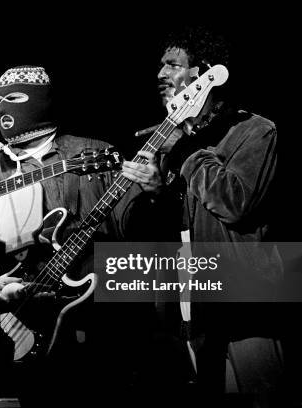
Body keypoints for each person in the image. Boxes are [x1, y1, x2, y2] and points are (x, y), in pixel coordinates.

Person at [0, 66, 164, 407]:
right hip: (27, 322)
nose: (5, 109)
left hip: (105, 323)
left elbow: (135, 230)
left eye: (16, 98)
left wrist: (154, 194)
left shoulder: (94, 153)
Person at [121, 27, 283, 404]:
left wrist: (189, 149)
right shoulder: (173, 140)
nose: (161, 75)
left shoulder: (255, 132)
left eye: (173, 65)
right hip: (190, 306)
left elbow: (233, 202)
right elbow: (181, 224)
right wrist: (159, 191)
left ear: (203, 75)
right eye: (160, 65)